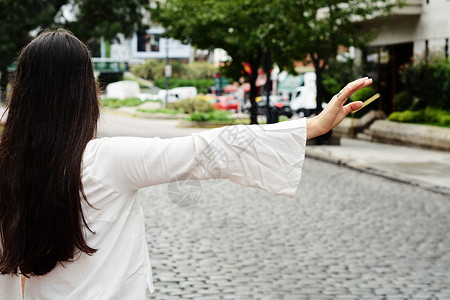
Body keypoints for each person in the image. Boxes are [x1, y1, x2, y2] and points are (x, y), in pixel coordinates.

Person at [0, 29, 371, 300]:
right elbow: (209, 147)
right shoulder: (106, 160)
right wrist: (314, 125)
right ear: (84, 92)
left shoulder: (8, 165)